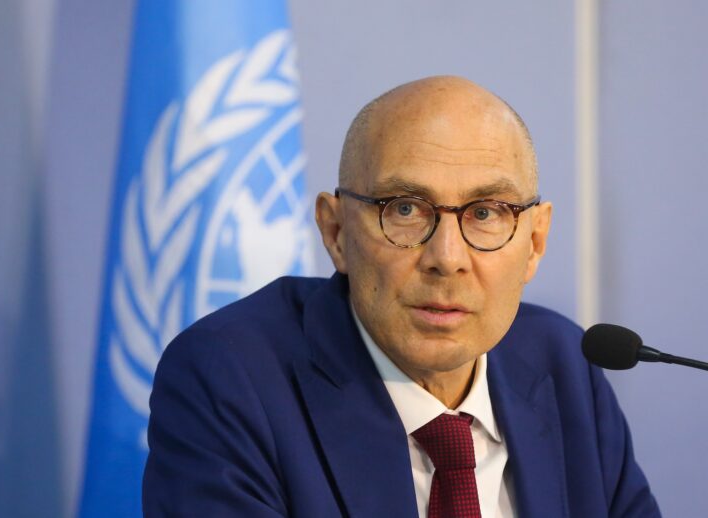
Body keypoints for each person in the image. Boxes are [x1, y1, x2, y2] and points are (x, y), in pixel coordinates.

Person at [142, 76, 660, 517]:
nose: (447, 257)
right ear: (336, 231)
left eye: (485, 212)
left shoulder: (564, 364)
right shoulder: (228, 377)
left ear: (535, 242)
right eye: (406, 210)